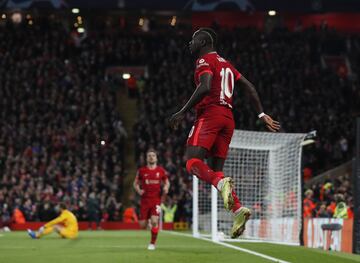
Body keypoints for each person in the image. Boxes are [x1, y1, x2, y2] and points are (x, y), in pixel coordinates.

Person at [169, 28, 280, 238]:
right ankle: (238, 209)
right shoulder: (227, 64)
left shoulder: (204, 61)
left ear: (202, 42)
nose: (190, 44)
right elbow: (249, 87)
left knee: (191, 161)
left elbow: (205, 86)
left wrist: (182, 111)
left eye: (193, 40)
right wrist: (261, 114)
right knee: (215, 171)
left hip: (211, 114)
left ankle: (223, 185)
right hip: (228, 119)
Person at [133, 149, 170, 250]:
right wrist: (139, 190)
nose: (151, 157)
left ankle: (152, 243)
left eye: (153, 155)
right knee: (142, 225)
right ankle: (148, 222)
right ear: (146, 158)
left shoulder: (161, 171)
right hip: (144, 200)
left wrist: (166, 187)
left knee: (154, 221)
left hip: (156, 200)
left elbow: (167, 182)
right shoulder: (141, 171)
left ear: (156, 158)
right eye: (149, 156)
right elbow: (135, 183)